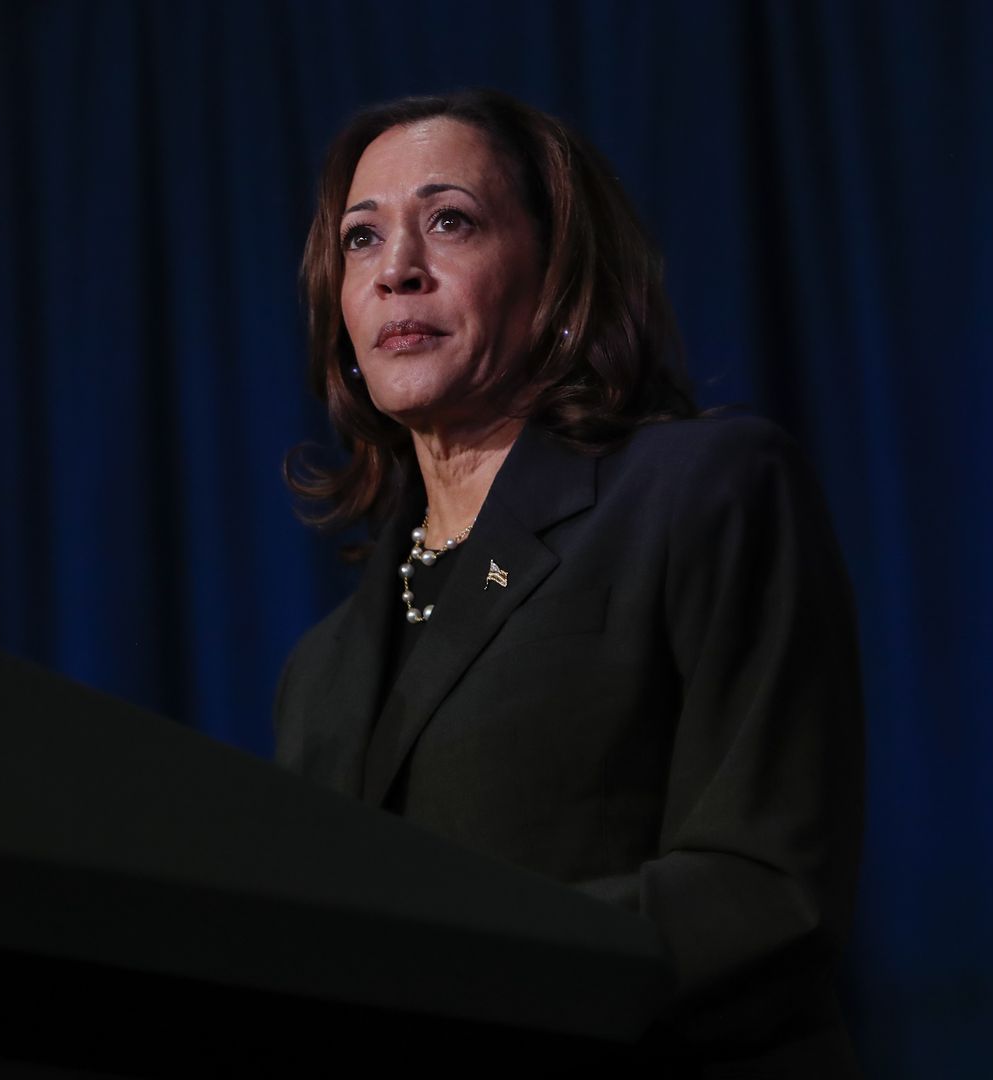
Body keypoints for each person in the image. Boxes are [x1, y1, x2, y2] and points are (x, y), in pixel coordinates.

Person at [273, 90, 866, 1076]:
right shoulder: (320, 671)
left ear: (555, 277)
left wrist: (450, 970)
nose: (396, 269)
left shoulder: (701, 494)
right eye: (362, 239)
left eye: (450, 221)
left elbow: (765, 892)